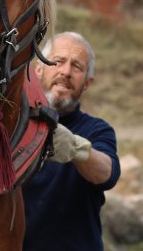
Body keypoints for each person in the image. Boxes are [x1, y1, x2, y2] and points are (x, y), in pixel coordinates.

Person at [23, 31, 120, 251]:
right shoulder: (13, 126)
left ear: (87, 83)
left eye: (77, 67)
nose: (66, 72)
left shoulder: (97, 130)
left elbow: (107, 173)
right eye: (57, 62)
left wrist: (77, 149)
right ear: (38, 69)